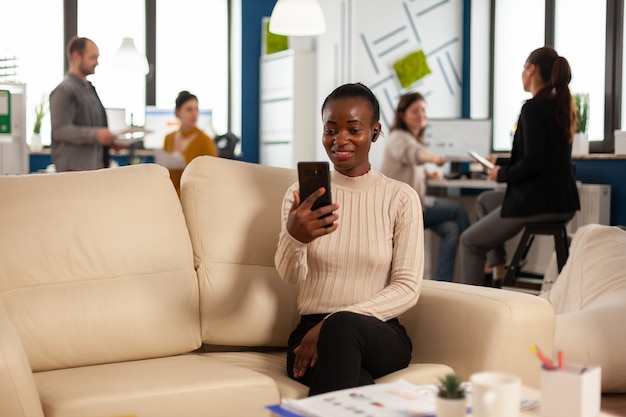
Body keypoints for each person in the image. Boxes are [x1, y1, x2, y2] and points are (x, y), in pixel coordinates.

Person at [274, 82, 423, 396]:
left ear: (375, 132)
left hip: (378, 331)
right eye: (330, 130)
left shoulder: (400, 198)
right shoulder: (300, 195)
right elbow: (290, 276)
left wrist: (331, 323)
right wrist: (295, 237)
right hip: (308, 332)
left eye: (353, 129)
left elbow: (407, 288)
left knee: (344, 327)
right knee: (356, 385)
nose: (339, 140)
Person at [459, 45, 580, 287]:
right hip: (561, 200)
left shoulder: (532, 108)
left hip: (539, 202)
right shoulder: (558, 106)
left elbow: (533, 164)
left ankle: (469, 305)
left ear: (531, 70)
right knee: (485, 201)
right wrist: (501, 162)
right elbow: (543, 158)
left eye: (524, 68)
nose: (522, 73)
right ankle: (500, 271)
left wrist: (501, 174)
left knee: (469, 242)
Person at [380, 92, 469, 282]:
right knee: (456, 208)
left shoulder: (409, 138)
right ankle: (477, 256)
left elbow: (408, 165)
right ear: (402, 115)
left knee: (451, 229)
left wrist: (428, 174)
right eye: (415, 111)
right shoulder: (398, 137)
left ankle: (443, 284)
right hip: (401, 211)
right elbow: (413, 154)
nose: (421, 115)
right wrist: (434, 158)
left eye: (423, 110)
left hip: (416, 207)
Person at [50, 36, 117, 171]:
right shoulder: (64, 90)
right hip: (75, 175)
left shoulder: (89, 89)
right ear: (76, 57)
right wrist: (96, 135)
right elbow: (60, 130)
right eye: (93, 57)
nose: (97, 62)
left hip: (94, 169)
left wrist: (108, 141)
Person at [162, 90, 217, 195]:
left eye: (196, 109)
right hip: (170, 195)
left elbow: (211, 175)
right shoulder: (168, 138)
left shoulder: (205, 140)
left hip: (194, 195)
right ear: (178, 112)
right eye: (189, 109)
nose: (194, 114)